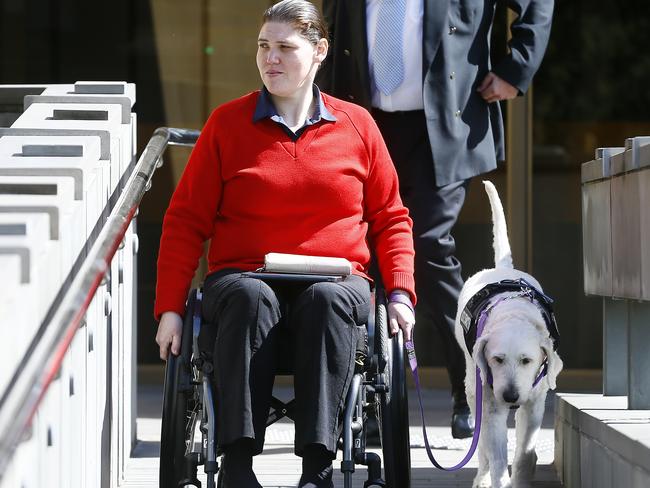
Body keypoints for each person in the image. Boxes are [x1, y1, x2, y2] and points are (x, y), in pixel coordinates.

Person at [153, 1, 416, 487]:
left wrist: (399, 293)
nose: (270, 58)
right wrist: (170, 308)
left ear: (319, 51)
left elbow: (391, 217)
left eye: (284, 48)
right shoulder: (226, 126)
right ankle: (237, 466)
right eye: (263, 47)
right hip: (245, 280)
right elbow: (185, 221)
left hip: (337, 281)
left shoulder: (357, 125)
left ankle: (316, 470)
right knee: (251, 298)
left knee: (328, 299)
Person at [316, 0, 554, 439]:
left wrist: (516, 66)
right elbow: (335, 21)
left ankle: (470, 388)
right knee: (362, 253)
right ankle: (371, 401)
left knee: (427, 247)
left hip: (443, 121)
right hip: (363, 119)